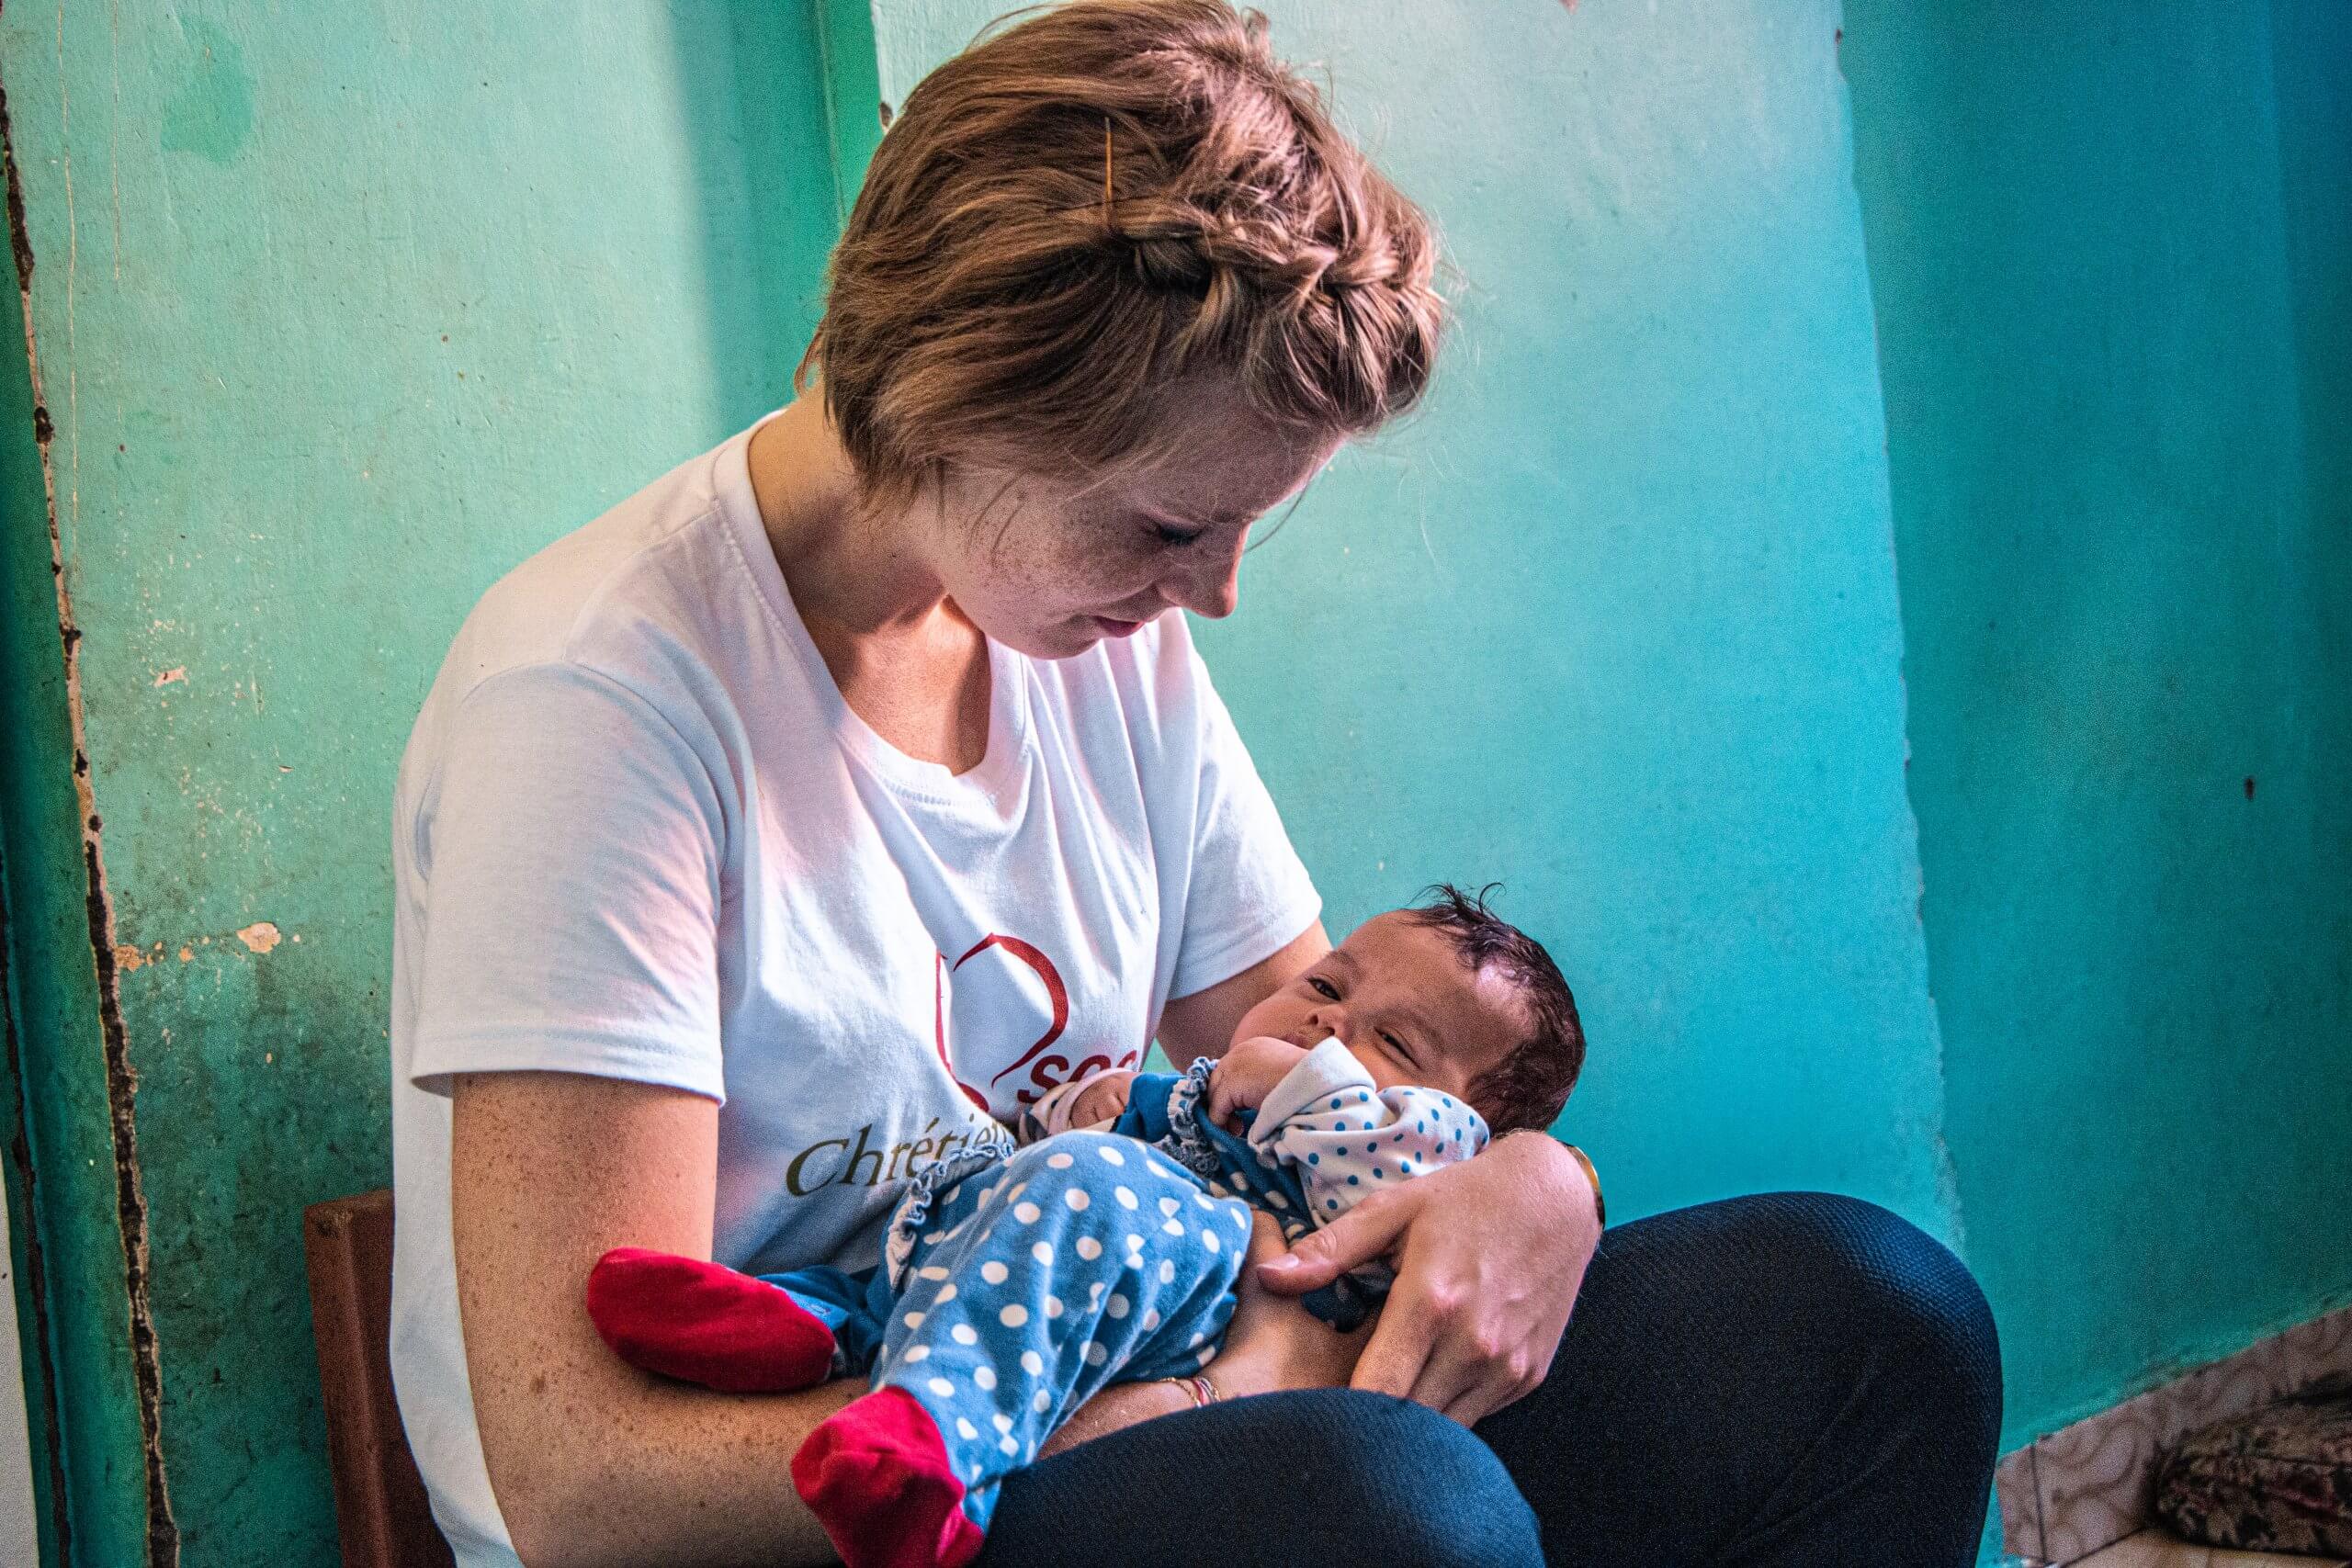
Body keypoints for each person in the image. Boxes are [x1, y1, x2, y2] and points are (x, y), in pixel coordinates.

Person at [387, 3, 2001, 1565]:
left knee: (1871, 1319)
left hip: (1175, 1366)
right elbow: (582, 1488)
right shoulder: (604, 698)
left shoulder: (1081, 625)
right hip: (844, 1499)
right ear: (965, 395)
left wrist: (1536, 1175)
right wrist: (1158, 1408)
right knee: (1391, 1508)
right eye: (1172, 527)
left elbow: (1319, 1078)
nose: (1214, 593)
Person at [579, 890, 1583, 1568]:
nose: (1327, 1026)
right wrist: (1088, 1105)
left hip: (1186, 1306)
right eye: (1325, 987)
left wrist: (1540, 1175)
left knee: (1083, 1190)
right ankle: (799, 1322)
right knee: (1001, 1193)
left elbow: (1389, 1153)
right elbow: (1066, 1128)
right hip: (1088, 1283)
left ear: (1477, 1127)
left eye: (1393, 1041)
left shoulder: (1419, 1144)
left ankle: (934, 1457)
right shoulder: (1199, 1094)